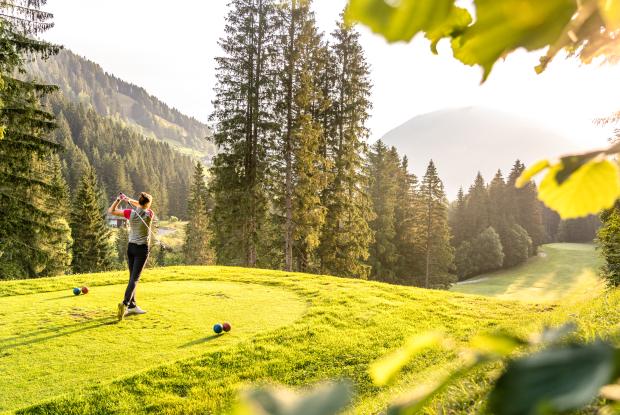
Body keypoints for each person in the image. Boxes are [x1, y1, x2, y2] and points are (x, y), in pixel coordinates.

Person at [108, 192, 154, 321]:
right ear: (148, 204)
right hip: (142, 249)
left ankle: (132, 305)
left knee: (131, 278)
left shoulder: (130, 213)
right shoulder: (149, 214)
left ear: (139, 202)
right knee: (135, 279)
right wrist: (130, 200)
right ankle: (125, 304)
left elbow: (111, 211)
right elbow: (142, 205)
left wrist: (119, 200)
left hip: (131, 248)